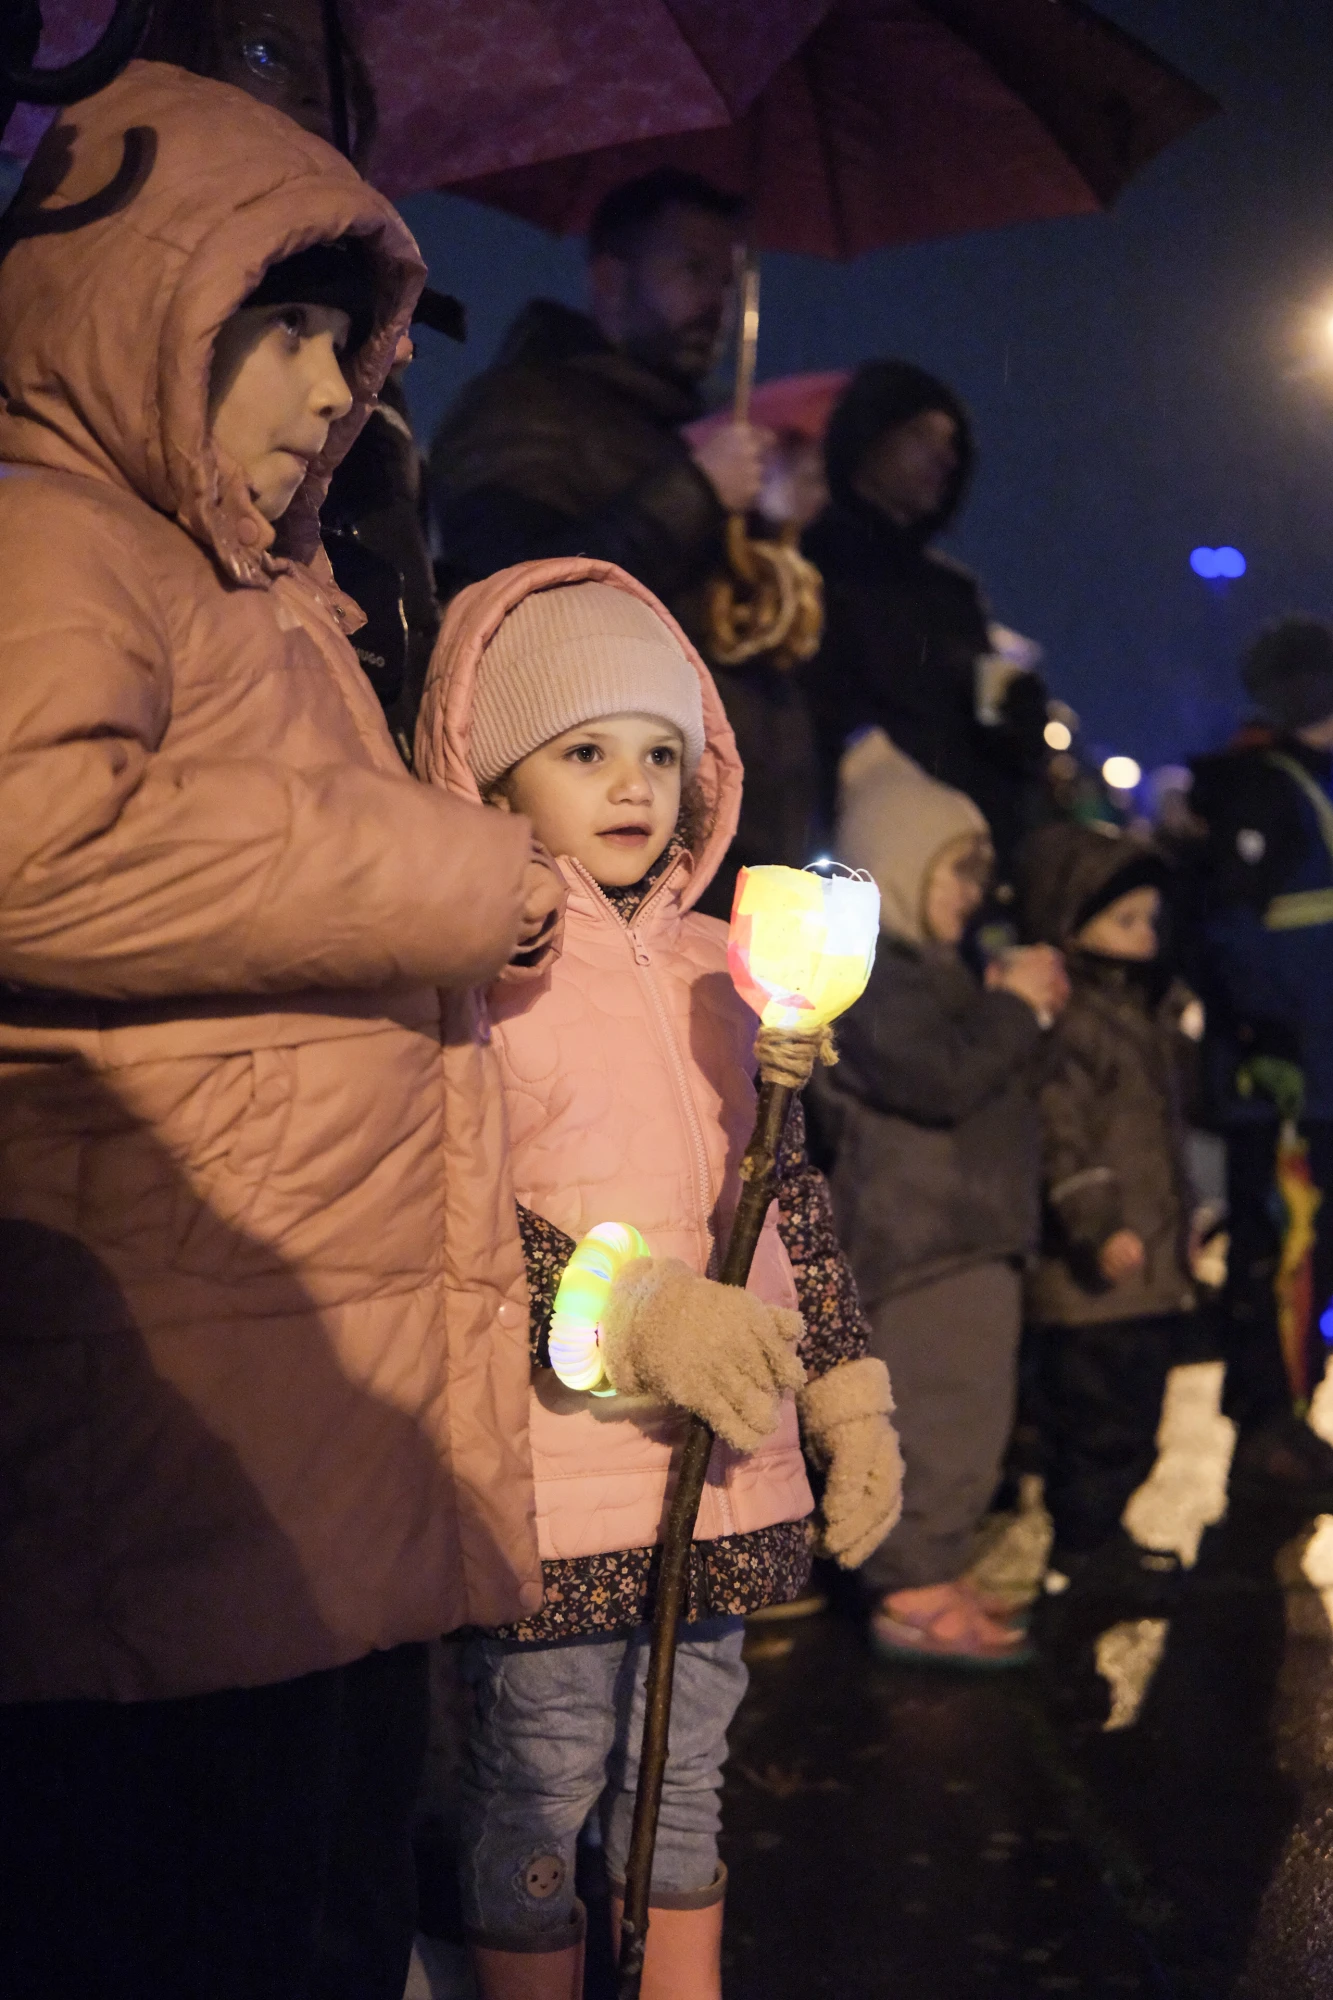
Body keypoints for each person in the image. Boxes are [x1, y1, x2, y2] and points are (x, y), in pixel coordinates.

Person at [0, 62, 563, 2000]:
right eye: (291, 329)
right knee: (180, 1911)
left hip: (300, 1414)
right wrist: (455, 877)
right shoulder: (56, 536)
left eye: (354, 342)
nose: (341, 390)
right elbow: (31, 843)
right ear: (150, 304)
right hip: (174, 1430)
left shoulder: (280, 596)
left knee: (310, 1901)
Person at [414, 556, 902, 1997]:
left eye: (659, 753)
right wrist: (625, 1311)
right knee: (541, 1783)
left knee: (683, 1782)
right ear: (492, 776)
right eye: (582, 752)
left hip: (725, 1467)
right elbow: (444, 1223)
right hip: (554, 1488)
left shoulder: (725, 969)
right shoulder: (475, 976)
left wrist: (847, 1398)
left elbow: (785, 1205)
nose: (632, 786)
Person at [812, 730, 1067, 1666]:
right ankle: (910, 1586)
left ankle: (936, 1563)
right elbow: (938, 1080)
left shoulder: (932, 974)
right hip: (926, 1244)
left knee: (967, 1418)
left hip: (963, 1235)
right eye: (954, 872)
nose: (972, 892)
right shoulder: (874, 974)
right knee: (932, 1415)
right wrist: (1016, 1007)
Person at [428, 168, 771, 642]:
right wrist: (698, 493)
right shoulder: (521, 406)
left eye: (729, 282)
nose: (718, 304)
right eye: (693, 270)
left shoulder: (689, 426)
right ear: (611, 280)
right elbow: (509, 598)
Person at [1019, 822, 1201, 1605]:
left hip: (1146, 1271)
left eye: (1149, 922)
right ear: (1071, 924)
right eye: (1125, 921)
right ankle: (1084, 1555)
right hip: (1096, 1283)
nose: (1145, 937)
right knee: (1098, 1428)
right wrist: (1097, 1226)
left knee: (1136, 1419)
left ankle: (1103, 1543)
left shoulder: (1142, 1013)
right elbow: (1063, 1134)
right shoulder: (1077, 1021)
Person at [803, 362, 1049, 880]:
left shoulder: (953, 593)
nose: (943, 456)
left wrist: (1015, 725)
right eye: (921, 434)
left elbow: (973, 736)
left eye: (952, 443)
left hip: (944, 866)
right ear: (869, 435)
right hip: (846, 848)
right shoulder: (807, 561)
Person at [1189, 616, 1333, 1498]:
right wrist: (1269, 1029)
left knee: (1305, 1254)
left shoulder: (1302, 785)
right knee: (1282, 1254)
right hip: (1286, 1079)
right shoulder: (1262, 792)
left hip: (1317, 1071)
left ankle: (1291, 1414)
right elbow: (1229, 929)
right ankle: (1267, 1429)